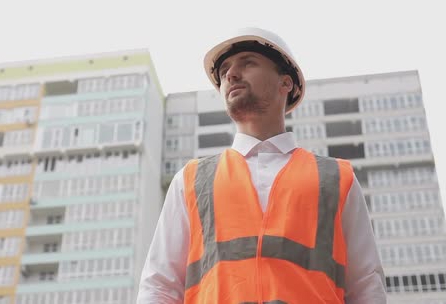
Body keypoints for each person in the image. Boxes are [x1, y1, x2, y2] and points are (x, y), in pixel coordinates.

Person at [137, 27, 387, 303]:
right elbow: (160, 285)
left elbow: (366, 285)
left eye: (247, 63)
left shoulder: (339, 178)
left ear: (286, 83)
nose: (230, 75)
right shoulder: (190, 180)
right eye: (224, 72)